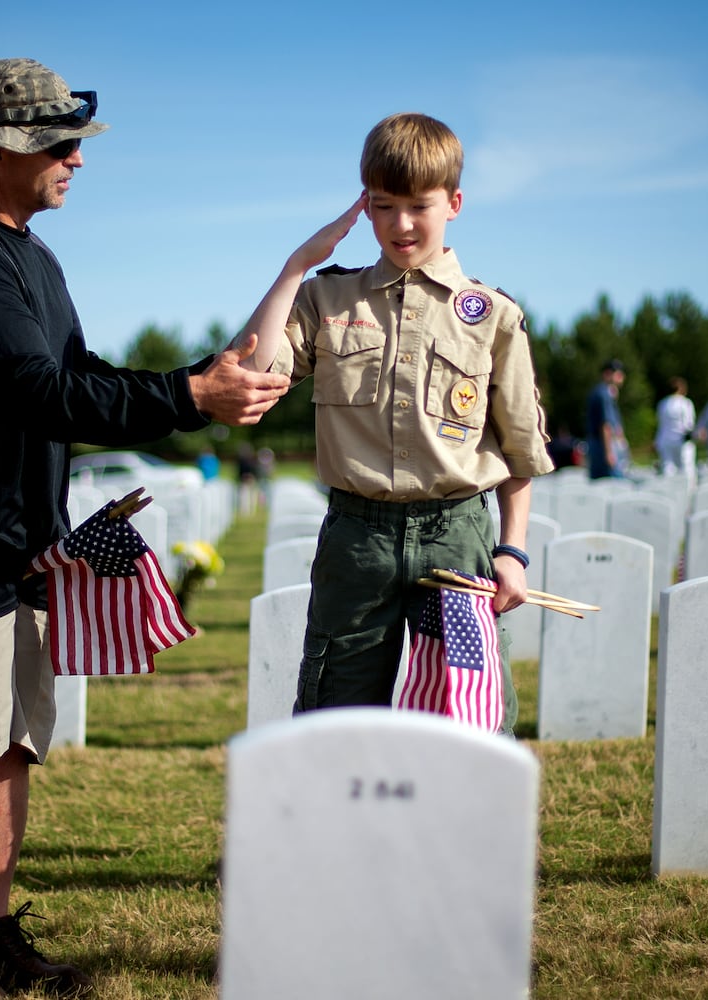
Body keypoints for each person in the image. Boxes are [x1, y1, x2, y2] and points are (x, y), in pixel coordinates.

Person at [0, 58, 291, 1000]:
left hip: (17, 541)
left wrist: (193, 380)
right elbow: (42, 393)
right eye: (57, 144)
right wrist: (190, 398)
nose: (75, 161)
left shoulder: (26, 251)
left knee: (10, 742)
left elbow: (78, 367)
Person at [233, 111, 554, 732]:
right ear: (365, 206)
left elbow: (521, 450)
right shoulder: (327, 299)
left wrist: (511, 552)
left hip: (457, 539)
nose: (400, 224)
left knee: (472, 721)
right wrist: (299, 263)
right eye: (382, 206)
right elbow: (250, 373)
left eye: (418, 205)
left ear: (454, 203)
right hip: (358, 539)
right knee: (335, 716)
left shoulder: (492, 315)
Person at [585, 359, 628, 479]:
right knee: (612, 481)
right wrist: (609, 452)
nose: (621, 376)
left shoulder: (603, 392)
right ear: (608, 374)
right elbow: (606, 425)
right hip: (603, 444)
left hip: (600, 444)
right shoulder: (604, 393)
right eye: (617, 373)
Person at [653, 377, 696, 483]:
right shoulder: (685, 403)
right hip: (682, 441)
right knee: (686, 469)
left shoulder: (662, 404)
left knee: (668, 469)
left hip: (665, 440)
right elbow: (689, 424)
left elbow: (660, 423)